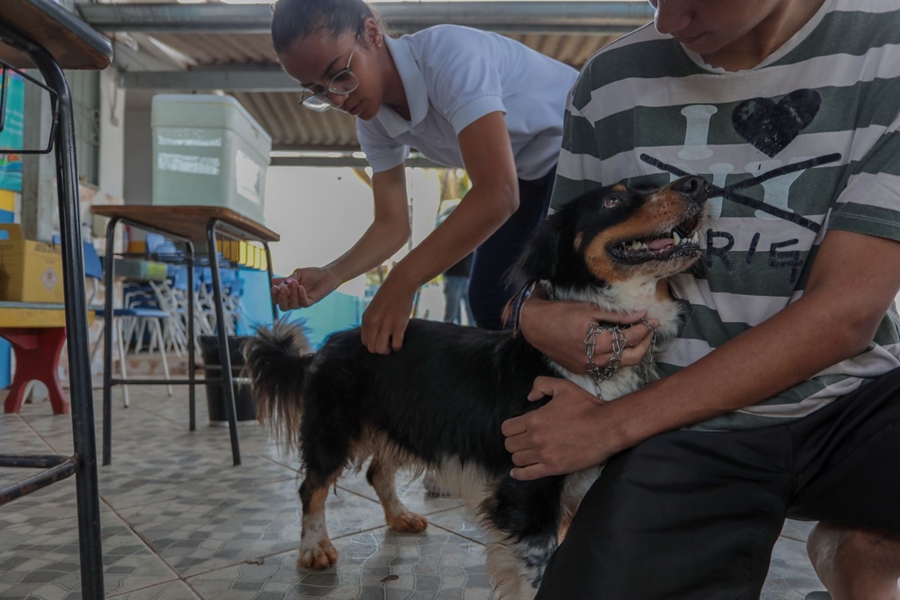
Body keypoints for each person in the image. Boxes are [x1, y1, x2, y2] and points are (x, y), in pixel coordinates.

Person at [500, 1, 900, 599]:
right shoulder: (609, 81)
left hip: (853, 401)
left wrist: (609, 427)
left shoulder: (888, 47)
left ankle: (864, 549)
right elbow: (556, 262)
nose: (668, 21)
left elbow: (844, 314)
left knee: (875, 541)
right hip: (684, 422)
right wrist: (531, 314)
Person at [269, 0, 579, 352]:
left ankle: (595, 397)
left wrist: (404, 280)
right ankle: (528, 398)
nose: (337, 99)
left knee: (573, 288)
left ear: (371, 33)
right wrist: (332, 274)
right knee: (492, 299)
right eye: (319, 91)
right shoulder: (374, 124)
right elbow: (392, 224)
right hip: (529, 173)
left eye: (339, 74)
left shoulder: (449, 58)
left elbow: (497, 194)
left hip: (582, 148)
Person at [442, 251, 473, 325]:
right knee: (451, 313)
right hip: (454, 275)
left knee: (472, 314)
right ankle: (448, 331)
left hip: (469, 276)